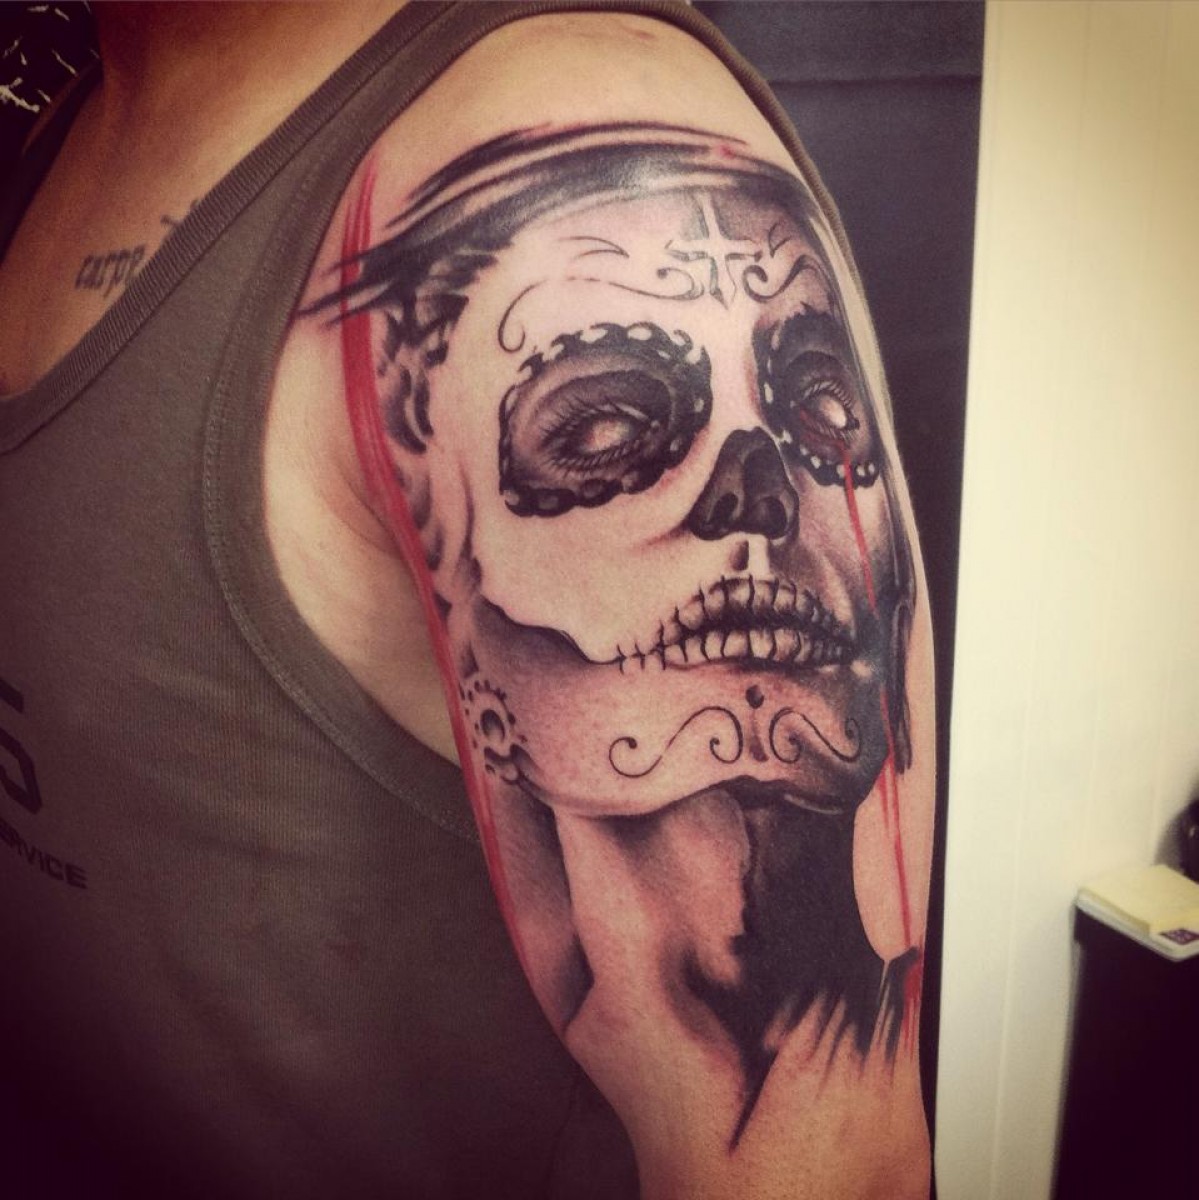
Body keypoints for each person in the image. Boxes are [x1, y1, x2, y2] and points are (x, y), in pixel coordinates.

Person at [0, 4, 935, 1197]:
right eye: (607, 425)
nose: (757, 494)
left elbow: (829, 1176)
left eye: (811, 405)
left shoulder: (563, 140)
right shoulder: (69, 109)